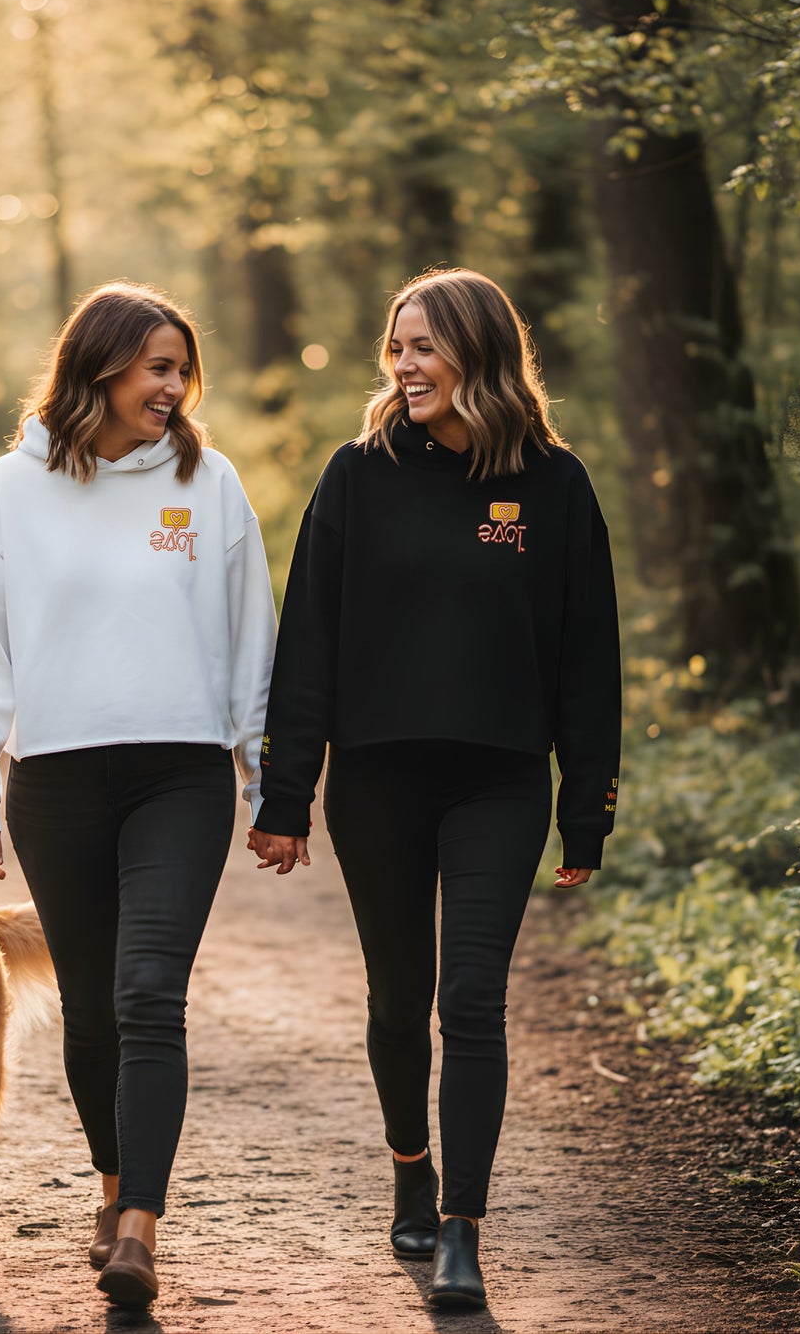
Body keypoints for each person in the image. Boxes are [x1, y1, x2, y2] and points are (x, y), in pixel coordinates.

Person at [248, 267, 621, 1311]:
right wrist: (285, 795)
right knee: (397, 995)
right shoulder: (356, 474)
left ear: (477, 352)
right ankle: (408, 1162)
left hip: (500, 780)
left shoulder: (552, 483)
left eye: (421, 346)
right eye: (395, 347)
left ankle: (461, 1227)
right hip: (377, 778)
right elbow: (307, 643)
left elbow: (588, 656)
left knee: (471, 999)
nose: (401, 365)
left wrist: (586, 806)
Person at [0, 281, 276, 1307]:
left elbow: (251, 641)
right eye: (156, 367)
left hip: (180, 773)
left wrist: (267, 781)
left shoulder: (207, 481)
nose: (174, 386)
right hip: (57, 778)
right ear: (99, 367)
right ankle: (113, 1182)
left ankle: (138, 1228)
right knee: (90, 1008)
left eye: (182, 370)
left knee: (147, 992)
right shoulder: (8, 489)